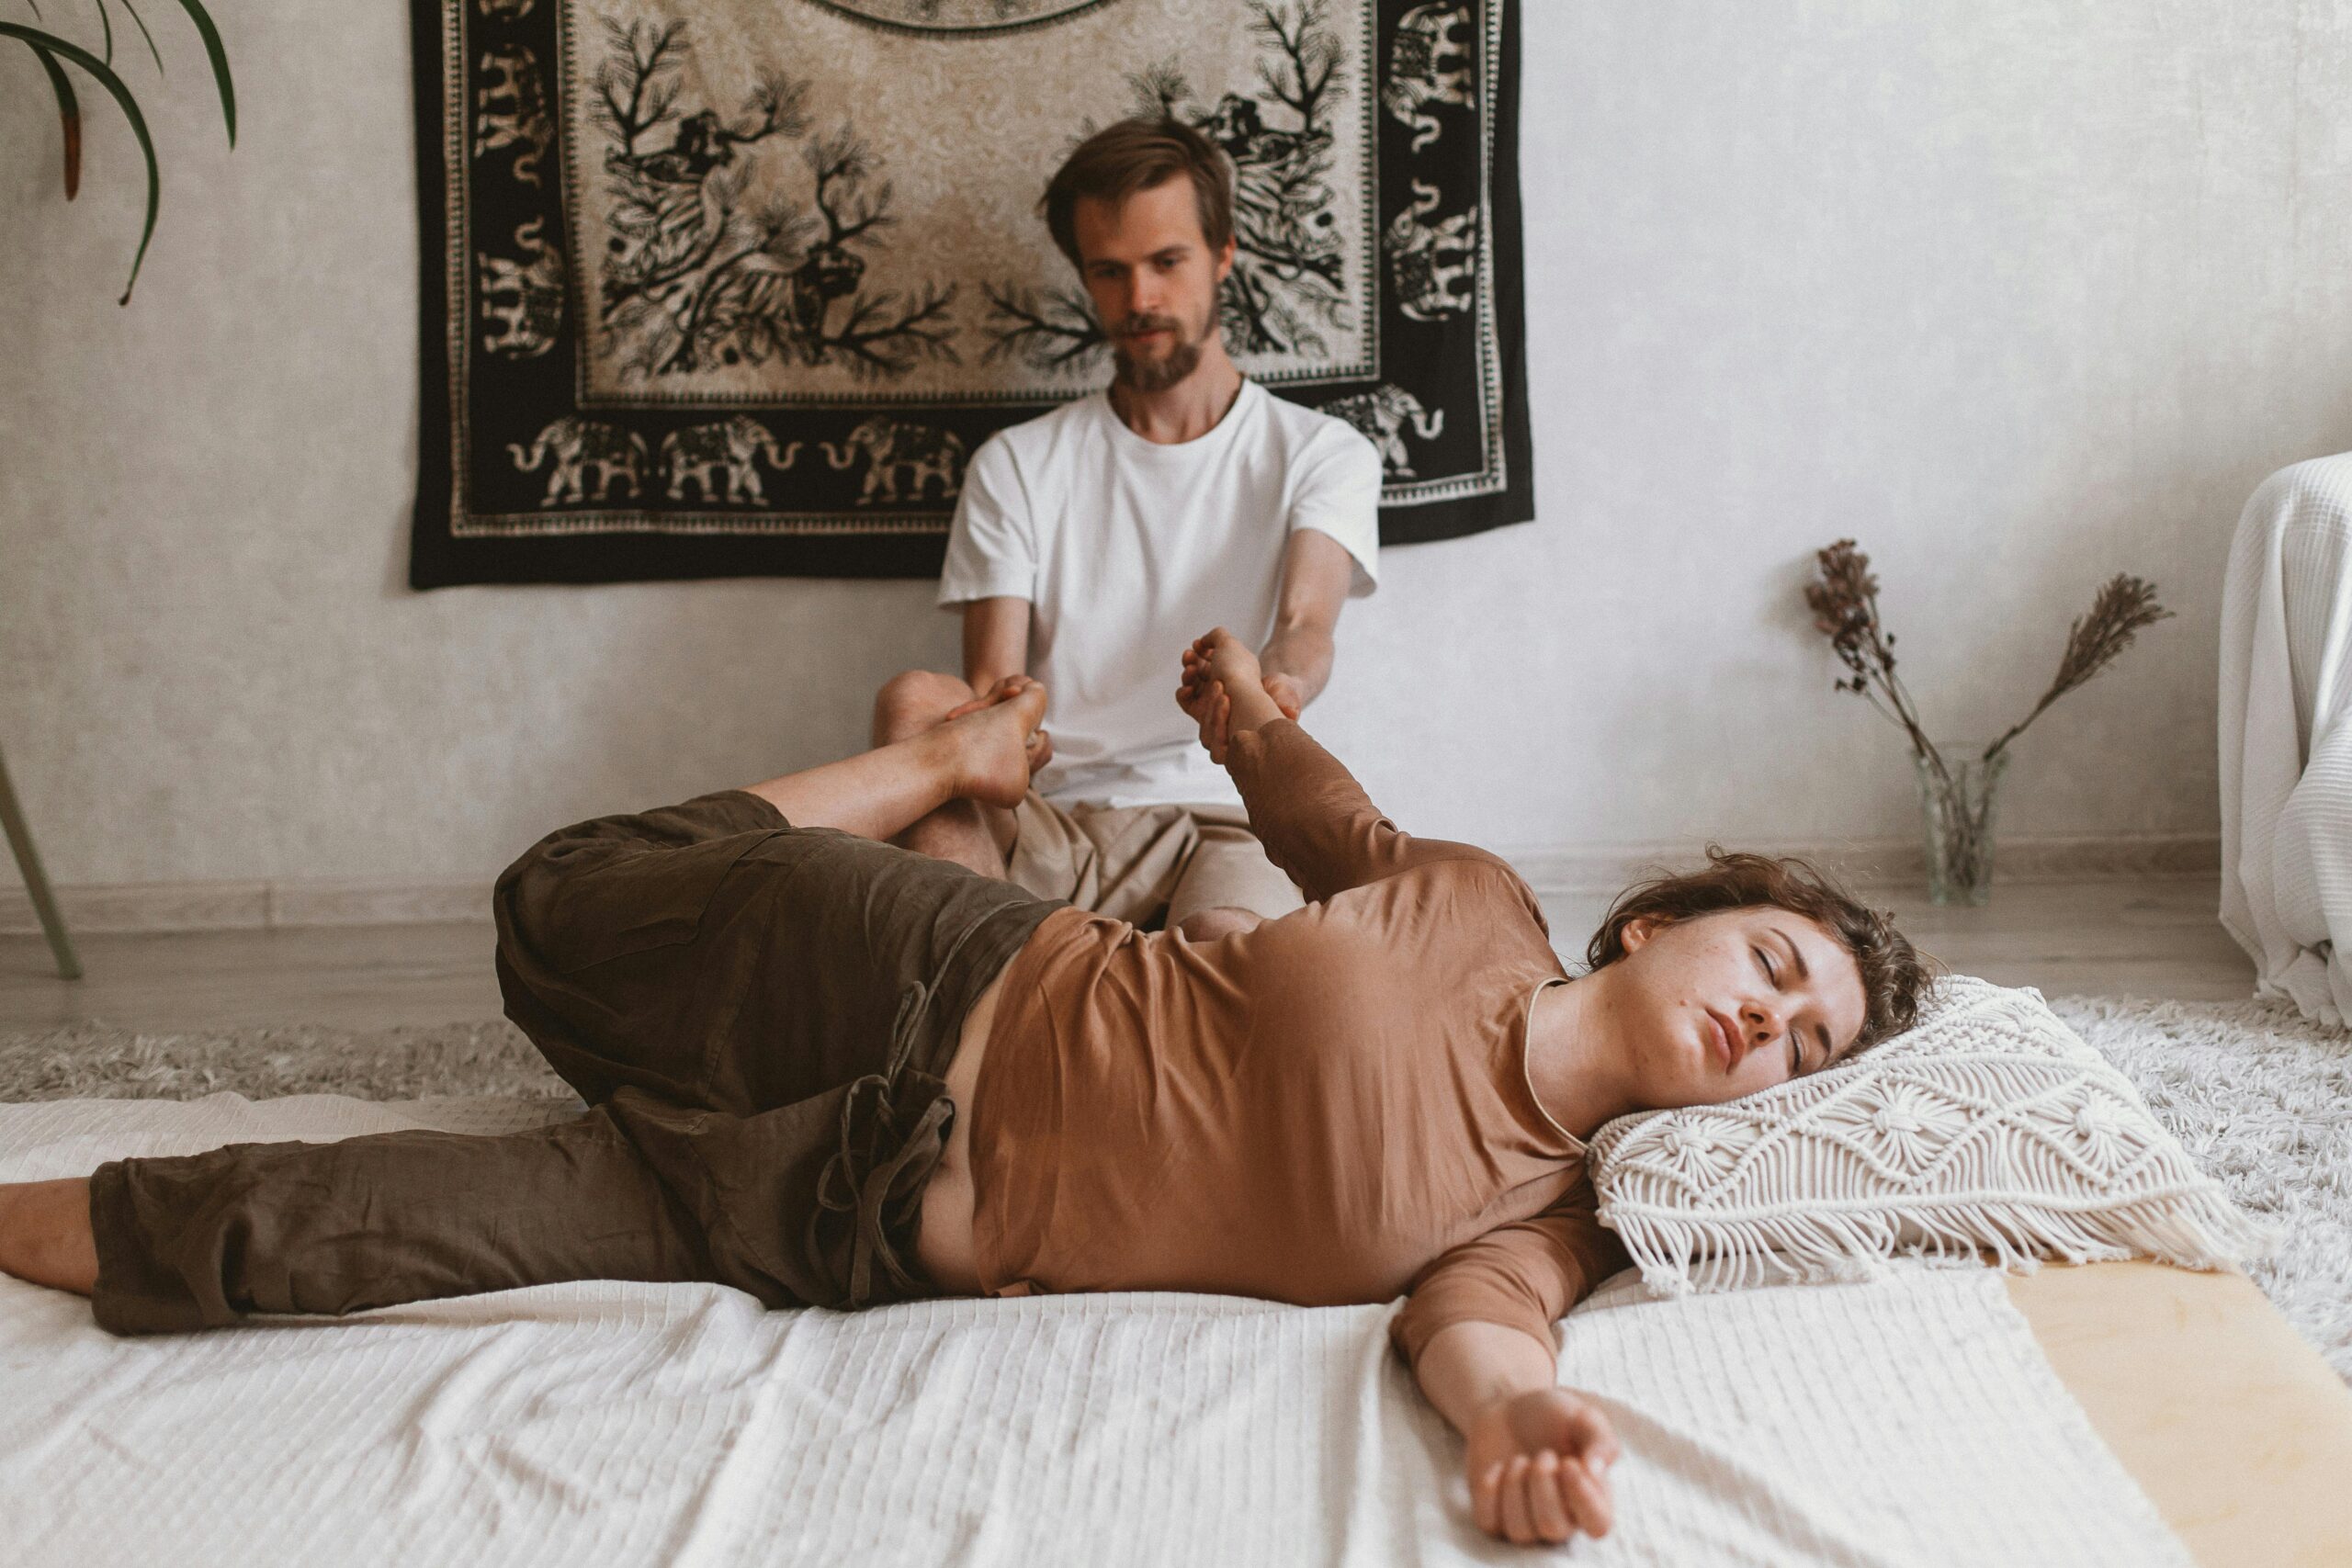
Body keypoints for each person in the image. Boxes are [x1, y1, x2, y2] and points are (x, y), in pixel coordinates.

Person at [0, 633, 1927, 1548]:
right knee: (557, 905)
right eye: (1773, 966)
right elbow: (1329, 819)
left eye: (1813, 1040)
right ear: (1669, 915)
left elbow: (1472, 1332)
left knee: (378, 1222)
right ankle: (931, 776)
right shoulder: (1479, 901)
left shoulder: (1556, 1211)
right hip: (926, 959)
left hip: (851, 1203)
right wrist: (1244, 716)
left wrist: (1525, 1430)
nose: (1773, 1025)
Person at [879, 116, 1385, 943]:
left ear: (1223, 254)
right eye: (1109, 272)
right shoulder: (1016, 464)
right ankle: (979, 980)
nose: (1140, 299)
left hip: (1231, 808)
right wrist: (1009, 719)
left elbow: (1304, 627)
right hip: (1052, 822)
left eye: (1167, 262)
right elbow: (990, 678)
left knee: (1224, 947)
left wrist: (1272, 690)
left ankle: (1022, 999)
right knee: (916, 701)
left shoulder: (1321, 452)